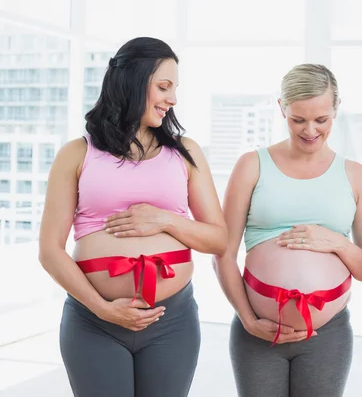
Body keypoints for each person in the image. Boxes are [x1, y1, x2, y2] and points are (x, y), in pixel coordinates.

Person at [38, 37, 227, 397]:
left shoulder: (186, 153)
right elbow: (49, 249)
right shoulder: (77, 153)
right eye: (163, 86)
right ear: (132, 82)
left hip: (171, 322)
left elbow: (219, 239)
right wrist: (102, 308)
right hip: (93, 322)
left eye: (175, 88)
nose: (172, 99)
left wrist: (166, 220)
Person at [213, 63, 362, 397]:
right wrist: (248, 319)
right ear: (282, 109)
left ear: (336, 110)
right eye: (298, 119)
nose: (310, 130)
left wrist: (338, 243)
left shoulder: (355, 175)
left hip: (327, 336)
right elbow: (223, 254)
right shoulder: (252, 165)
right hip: (257, 332)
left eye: (321, 120)